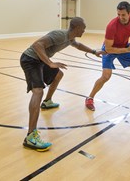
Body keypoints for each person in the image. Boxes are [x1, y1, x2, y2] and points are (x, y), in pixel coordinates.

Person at [20, 17, 104, 151]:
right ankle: (30, 136)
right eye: (83, 27)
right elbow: (37, 45)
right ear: (77, 28)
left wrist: (94, 52)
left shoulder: (70, 38)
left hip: (39, 60)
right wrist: (50, 63)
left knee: (58, 74)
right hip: (30, 60)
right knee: (38, 91)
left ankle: (47, 102)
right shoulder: (59, 35)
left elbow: (78, 45)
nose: (84, 30)